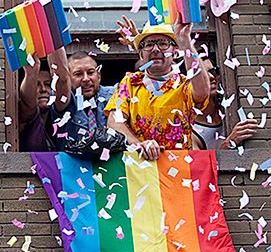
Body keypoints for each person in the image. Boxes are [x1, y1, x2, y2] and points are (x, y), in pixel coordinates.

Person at [105, 18, 210, 160]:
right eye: (149, 44)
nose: (155, 49)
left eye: (163, 43)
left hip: (180, 170)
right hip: (141, 169)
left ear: (174, 52)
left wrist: (185, 41)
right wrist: (140, 145)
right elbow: (114, 122)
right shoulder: (130, 83)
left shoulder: (184, 85)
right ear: (141, 54)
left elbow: (203, 91)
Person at [48, 49, 115, 150]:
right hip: (71, 163)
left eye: (90, 72)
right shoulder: (65, 100)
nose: (86, 79)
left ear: (99, 76)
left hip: (113, 163)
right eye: (78, 74)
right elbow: (61, 79)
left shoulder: (115, 95)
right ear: (69, 79)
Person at [192, 56, 259, 149]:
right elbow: (200, 163)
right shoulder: (191, 132)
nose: (211, 77)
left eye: (213, 71)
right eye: (201, 74)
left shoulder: (229, 108)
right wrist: (228, 144)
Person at [19, 57, 55, 152]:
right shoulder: (27, 118)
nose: (43, 89)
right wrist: (30, 74)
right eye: (36, 84)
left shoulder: (60, 118)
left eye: (48, 84)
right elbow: (28, 104)